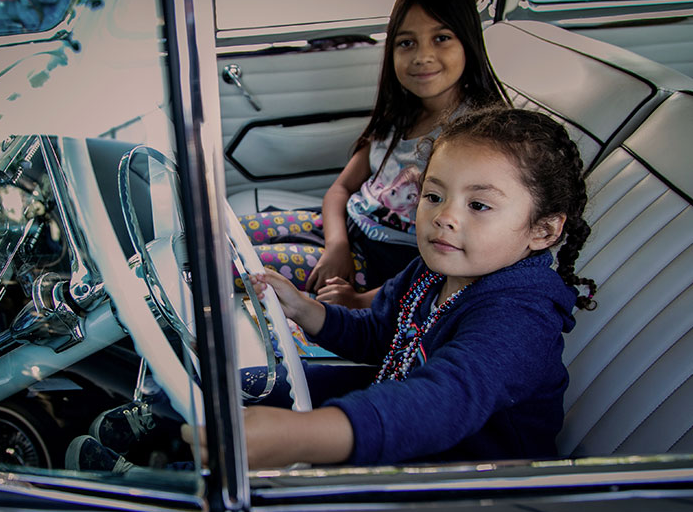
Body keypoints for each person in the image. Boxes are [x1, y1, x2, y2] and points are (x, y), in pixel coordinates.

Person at [187, 107, 598, 469]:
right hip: (396, 409)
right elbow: (378, 333)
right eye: (434, 196)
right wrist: (304, 309)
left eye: (479, 205)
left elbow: (442, 402)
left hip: (468, 486)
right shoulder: (431, 272)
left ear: (542, 230)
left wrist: (301, 435)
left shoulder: (520, 317)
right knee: (240, 386)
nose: (445, 217)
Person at [237, 0, 509, 309]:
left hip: (382, 271)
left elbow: (450, 264)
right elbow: (341, 188)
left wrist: (361, 301)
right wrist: (336, 245)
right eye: (406, 43)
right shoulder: (400, 116)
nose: (422, 56)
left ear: (469, 41)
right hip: (343, 231)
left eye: (441, 38)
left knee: (239, 266)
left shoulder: (473, 140)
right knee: (229, 236)